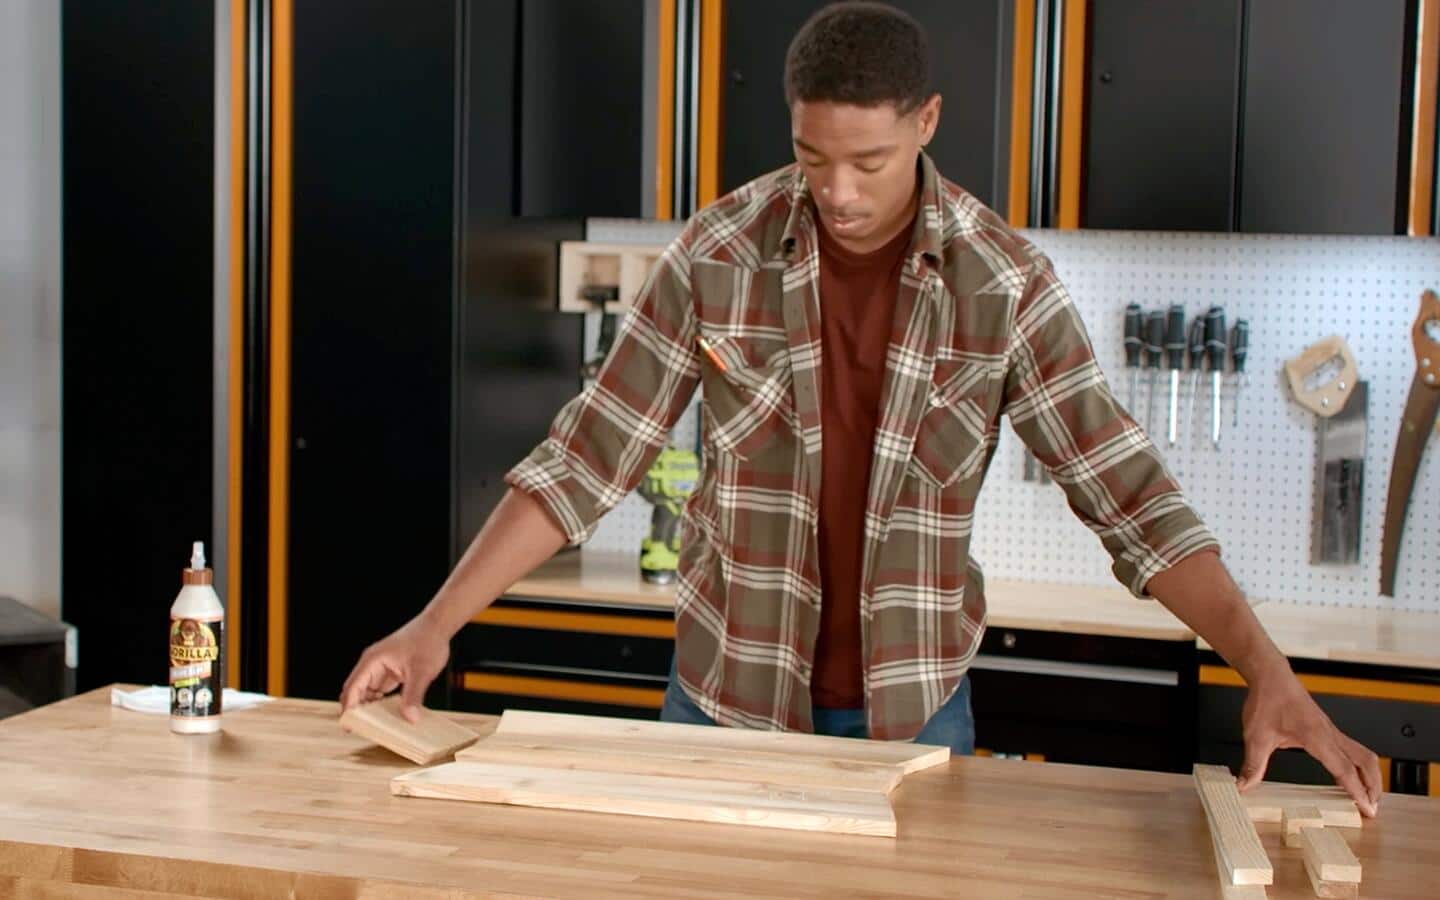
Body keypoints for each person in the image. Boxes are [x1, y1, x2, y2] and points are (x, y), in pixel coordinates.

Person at [341, 1, 1381, 815]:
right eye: (812, 157)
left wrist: (1268, 670)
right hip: (721, 706)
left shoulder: (1004, 283)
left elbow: (1131, 499)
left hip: (913, 723)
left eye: (869, 162)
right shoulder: (718, 252)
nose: (836, 191)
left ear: (925, 124)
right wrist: (437, 627)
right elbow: (585, 460)